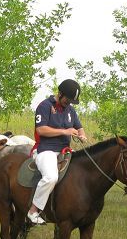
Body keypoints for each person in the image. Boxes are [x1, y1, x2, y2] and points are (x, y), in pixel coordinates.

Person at [27, 79, 87, 225]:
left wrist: (82, 135)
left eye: (72, 101)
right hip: (45, 150)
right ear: (60, 93)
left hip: (64, 150)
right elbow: (41, 130)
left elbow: (79, 127)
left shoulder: (71, 110)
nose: (70, 103)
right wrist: (65, 131)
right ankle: (33, 211)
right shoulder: (44, 106)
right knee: (51, 177)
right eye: (68, 99)